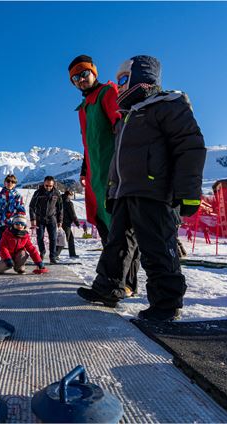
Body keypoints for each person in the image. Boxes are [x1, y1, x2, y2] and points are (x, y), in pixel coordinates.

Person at [77, 55, 206, 322]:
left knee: (157, 246)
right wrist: (112, 190)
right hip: (126, 191)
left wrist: (188, 192)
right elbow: (117, 159)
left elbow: (189, 147)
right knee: (117, 244)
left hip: (154, 190)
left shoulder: (168, 105)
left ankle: (166, 303)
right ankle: (109, 286)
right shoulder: (128, 116)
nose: (119, 87)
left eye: (124, 80)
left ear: (142, 78)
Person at [69, 54, 141, 296]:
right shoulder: (84, 107)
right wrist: (84, 168)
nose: (80, 79)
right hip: (95, 178)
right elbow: (89, 144)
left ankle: (127, 283)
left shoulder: (107, 93)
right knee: (106, 228)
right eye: (75, 78)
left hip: (114, 172)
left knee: (121, 227)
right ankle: (115, 279)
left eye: (83, 73)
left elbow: (120, 124)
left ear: (94, 72)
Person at [29, 176, 63, 264]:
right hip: (40, 218)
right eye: (46, 185)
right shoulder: (38, 193)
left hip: (52, 218)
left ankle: (52, 256)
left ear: (53, 185)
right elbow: (32, 207)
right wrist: (33, 219)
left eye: (50, 186)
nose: (48, 187)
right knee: (40, 237)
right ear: (44, 184)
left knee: (53, 238)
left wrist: (60, 220)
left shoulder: (56, 193)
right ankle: (42, 251)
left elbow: (60, 208)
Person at [0, 174, 26, 247]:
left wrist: (22, 224)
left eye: (13, 182)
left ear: (15, 184)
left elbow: (21, 211)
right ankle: (4, 258)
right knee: (2, 246)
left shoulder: (17, 196)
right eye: (8, 181)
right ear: (5, 182)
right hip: (1, 223)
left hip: (14, 225)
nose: (10, 183)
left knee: (13, 246)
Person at [60, 190, 80, 258]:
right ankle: (55, 254)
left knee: (70, 238)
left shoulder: (59, 201)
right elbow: (73, 214)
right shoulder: (68, 202)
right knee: (65, 239)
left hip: (59, 222)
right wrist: (77, 223)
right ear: (69, 195)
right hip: (66, 223)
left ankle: (72, 254)